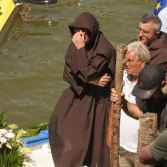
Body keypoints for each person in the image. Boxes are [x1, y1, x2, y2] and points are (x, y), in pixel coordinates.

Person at [49, 12, 116, 167]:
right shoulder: (76, 45)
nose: (80, 34)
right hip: (79, 92)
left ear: (92, 31)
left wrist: (81, 50)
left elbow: (88, 72)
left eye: (85, 31)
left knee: (95, 140)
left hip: (99, 100)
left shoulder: (104, 49)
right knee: (59, 125)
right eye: (78, 30)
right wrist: (92, 80)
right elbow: (68, 73)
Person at [111, 41, 150, 167]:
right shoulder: (121, 78)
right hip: (121, 146)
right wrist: (109, 134)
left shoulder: (151, 85)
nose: (126, 64)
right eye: (125, 61)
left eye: (130, 61)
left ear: (142, 62)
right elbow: (113, 108)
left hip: (142, 149)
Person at [111, 64, 167, 131]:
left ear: (163, 84)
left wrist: (158, 141)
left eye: (151, 93)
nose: (147, 97)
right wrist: (122, 101)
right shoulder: (146, 91)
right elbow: (140, 113)